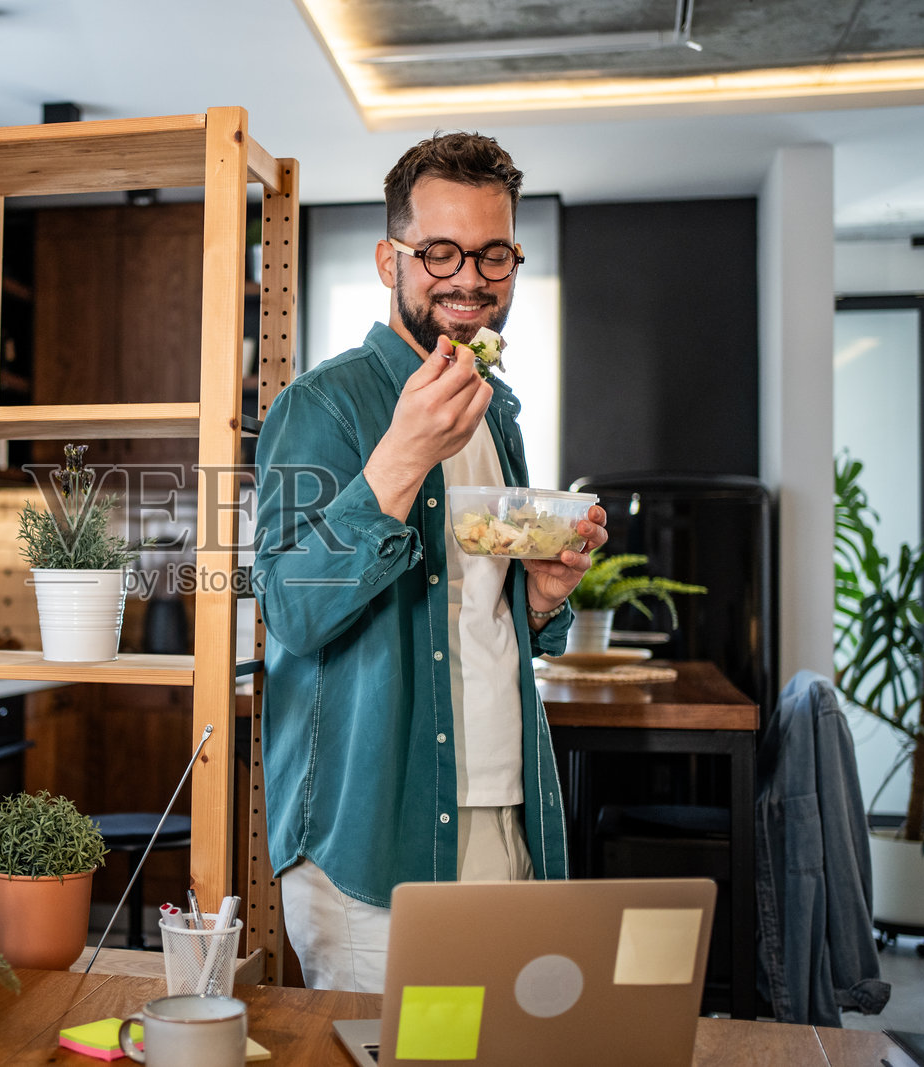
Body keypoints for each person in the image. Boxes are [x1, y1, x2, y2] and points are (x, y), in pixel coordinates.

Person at [251, 131, 609, 993]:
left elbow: (478, 615)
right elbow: (290, 609)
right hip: (374, 837)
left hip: (508, 808)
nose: (470, 279)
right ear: (390, 259)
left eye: (494, 254)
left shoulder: (500, 411)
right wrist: (401, 457)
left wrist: (540, 598)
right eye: (440, 251)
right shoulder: (322, 406)